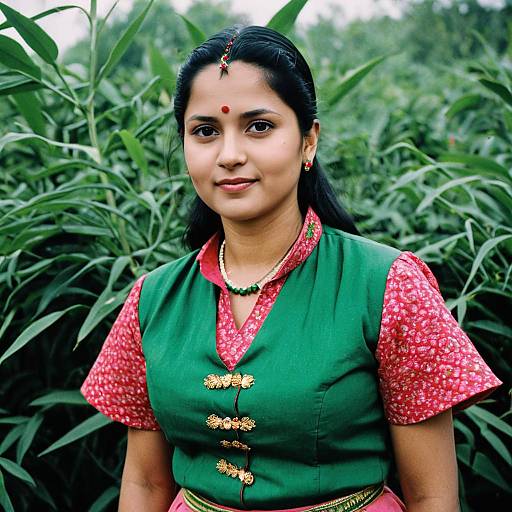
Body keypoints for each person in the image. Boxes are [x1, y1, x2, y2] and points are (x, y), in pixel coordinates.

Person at [81, 25, 502, 512]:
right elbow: (146, 485)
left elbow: (431, 496)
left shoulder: (388, 286)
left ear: (308, 141)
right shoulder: (152, 300)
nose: (230, 155)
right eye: (205, 131)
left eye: (259, 126)